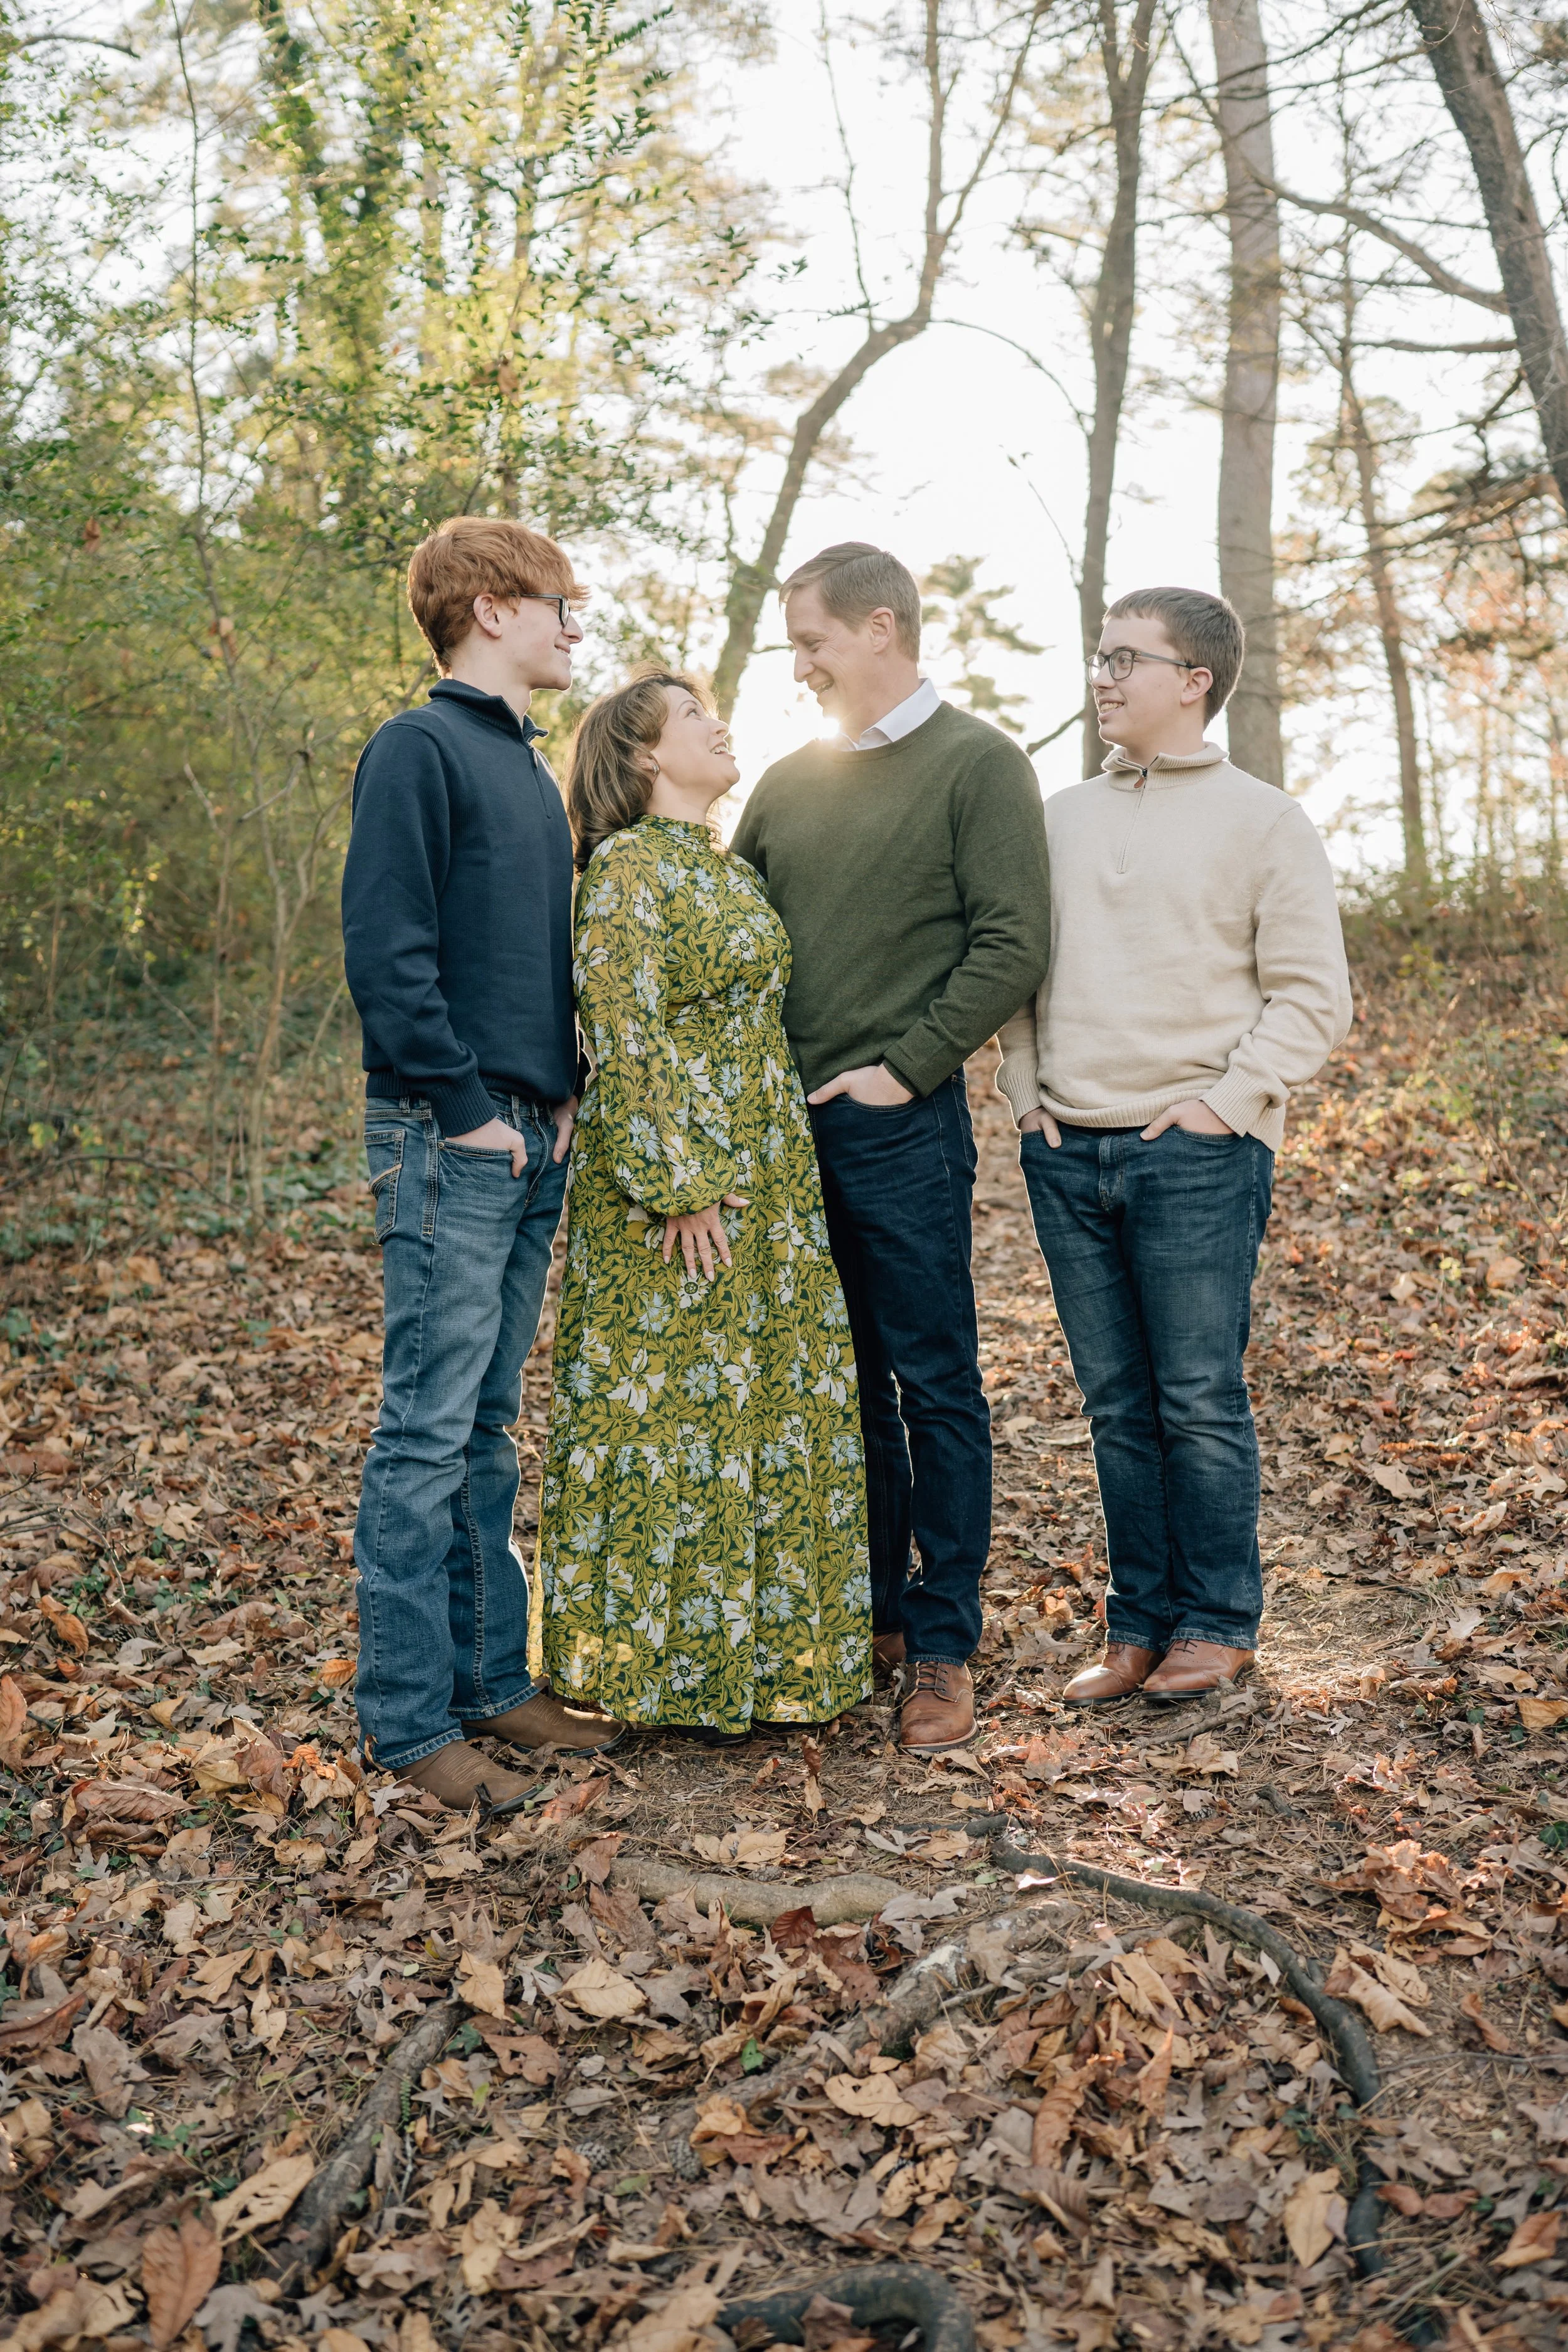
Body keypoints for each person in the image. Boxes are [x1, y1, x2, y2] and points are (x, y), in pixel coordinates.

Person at [997, 586, 1352, 1707]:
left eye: (1127, 659)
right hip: (1068, 1145)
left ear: (1195, 680)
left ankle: (1217, 1619)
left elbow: (1312, 998)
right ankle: (1139, 1623)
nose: (1103, 675)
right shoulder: (1058, 817)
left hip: (1197, 1152)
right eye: (1099, 656)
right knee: (1114, 1402)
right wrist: (1024, 1091)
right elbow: (1016, 968)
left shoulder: (1264, 820)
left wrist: (1228, 1101)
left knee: (1196, 1394)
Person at [732, 544, 1052, 1753]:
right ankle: (864, 1610)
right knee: (838, 1382)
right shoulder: (785, 782)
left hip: (897, 1124)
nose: (800, 664)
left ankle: (943, 1642)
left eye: (811, 640)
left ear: (879, 626)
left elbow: (1013, 941)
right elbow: (734, 933)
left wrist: (904, 1067)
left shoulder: (978, 763)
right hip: (779, 1133)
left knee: (933, 1381)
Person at [341, 516, 623, 1813]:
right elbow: (388, 949)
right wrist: (463, 1109)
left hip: (526, 1131)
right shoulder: (418, 747)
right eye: (561, 604)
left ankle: (492, 1682)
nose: (575, 626)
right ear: (493, 607)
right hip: (451, 1132)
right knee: (426, 1427)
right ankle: (409, 1723)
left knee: (489, 1426)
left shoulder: (522, 765)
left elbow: (528, 959)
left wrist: (554, 1096)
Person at [536, 670, 871, 1740]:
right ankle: (666, 1669)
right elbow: (623, 1033)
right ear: (642, 756)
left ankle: (766, 1657)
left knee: (756, 1411)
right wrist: (677, 1182)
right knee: (676, 1422)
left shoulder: (722, 870)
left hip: (765, 1172)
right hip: (677, 1189)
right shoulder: (627, 870)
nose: (719, 725)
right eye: (693, 716)